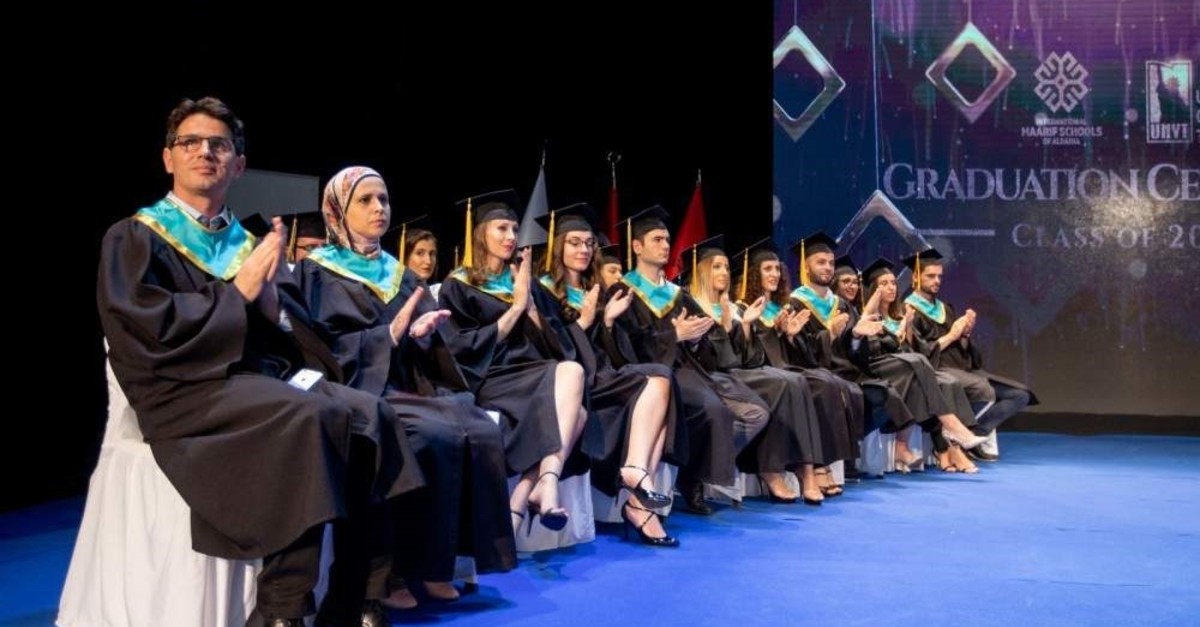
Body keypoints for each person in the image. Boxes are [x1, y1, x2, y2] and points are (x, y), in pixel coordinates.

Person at [96, 97, 424, 627]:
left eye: (219, 145)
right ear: (168, 157)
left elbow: (290, 336)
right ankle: (280, 611)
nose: (205, 152)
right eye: (190, 142)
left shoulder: (247, 244)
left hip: (258, 380)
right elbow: (142, 334)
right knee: (312, 417)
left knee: (373, 416)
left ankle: (356, 596)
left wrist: (272, 307)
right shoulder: (135, 236)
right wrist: (237, 295)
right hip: (184, 388)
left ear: (239, 164)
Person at [295, 167, 516, 609]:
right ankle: (392, 572)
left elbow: (433, 344)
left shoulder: (400, 275)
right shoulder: (315, 272)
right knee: (432, 434)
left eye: (383, 199)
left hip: (410, 382)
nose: (379, 208)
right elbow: (319, 348)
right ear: (337, 209)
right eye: (365, 200)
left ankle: (438, 564)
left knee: (478, 427)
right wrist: (388, 336)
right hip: (361, 388)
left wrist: (425, 335)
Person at [437, 190, 592, 536]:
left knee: (576, 394)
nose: (511, 237)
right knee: (575, 404)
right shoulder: (457, 285)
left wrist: (532, 308)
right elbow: (459, 350)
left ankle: (526, 495)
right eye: (502, 228)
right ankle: (537, 490)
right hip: (491, 377)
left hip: (533, 373)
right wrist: (516, 308)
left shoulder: (524, 281)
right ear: (480, 233)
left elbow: (557, 346)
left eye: (514, 229)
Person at [601, 206, 767, 515]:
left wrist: (695, 338)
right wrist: (674, 335)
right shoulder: (622, 291)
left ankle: (695, 466)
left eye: (667, 239)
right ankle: (693, 479)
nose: (666, 245)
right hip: (658, 374)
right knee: (714, 411)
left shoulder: (678, 294)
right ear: (637, 246)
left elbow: (707, 338)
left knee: (755, 412)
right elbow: (626, 347)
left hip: (693, 370)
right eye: (657, 239)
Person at [534, 203, 680, 545]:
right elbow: (547, 349)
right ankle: (639, 502)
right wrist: (584, 322)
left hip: (602, 373)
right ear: (558, 246)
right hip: (570, 381)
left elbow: (612, 353)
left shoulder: (596, 289)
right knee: (658, 386)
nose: (584, 250)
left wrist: (609, 322)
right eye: (574, 243)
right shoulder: (542, 290)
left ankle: (635, 476)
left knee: (662, 380)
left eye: (589, 243)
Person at [686, 236, 827, 505]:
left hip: (738, 372)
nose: (724, 273)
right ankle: (771, 470)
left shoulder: (730, 307)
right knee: (783, 383)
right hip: (715, 376)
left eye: (726, 267)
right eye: (716, 267)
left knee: (796, 380)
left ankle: (807, 469)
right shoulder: (693, 304)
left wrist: (746, 326)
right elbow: (722, 361)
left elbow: (748, 357)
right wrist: (740, 326)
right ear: (700, 270)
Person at [733, 240, 860, 494]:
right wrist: (749, 326)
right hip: (755, 372)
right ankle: (806, 471)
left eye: (777, 269)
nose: (774, 274)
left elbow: (796, 355)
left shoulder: (781, 307)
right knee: (803, 383)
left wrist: (788, 335)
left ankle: (821, 464)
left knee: (826, 381)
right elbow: (746, 358)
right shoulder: (741, 308)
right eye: (767, 269)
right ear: (753, 274)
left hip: (783, 368)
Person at [902, 248, 1037, 461]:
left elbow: (964, 350)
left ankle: (970, 434)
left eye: (939, 276)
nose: (937, 281)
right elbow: (917, 353)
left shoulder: (945, 308)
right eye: (931, 276)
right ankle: (960, 437)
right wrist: (952, 335)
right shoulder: (908, 310)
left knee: (1020, 395)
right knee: (983, 389)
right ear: (916, 277)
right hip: (937, 370)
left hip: (962, 368)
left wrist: (965, 335)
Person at [858, 258, 984, 473]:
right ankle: (951, 428)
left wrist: (906, 330)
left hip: (904, 368)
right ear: (872, 289)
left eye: (893, 283)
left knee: (948, 381)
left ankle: (950, 449)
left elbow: (910, 349)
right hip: (878, 369)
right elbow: (871, 351)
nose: (891, 287)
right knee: (918, 363)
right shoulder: (867, 317)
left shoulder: (900, 315)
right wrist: (900, 333)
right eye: (883, 284)